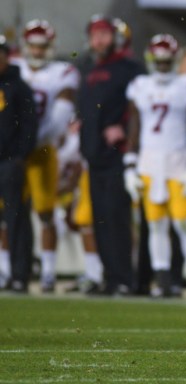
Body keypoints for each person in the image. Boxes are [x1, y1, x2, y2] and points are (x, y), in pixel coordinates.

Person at [123, 34, 186, 299]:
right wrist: (129, 165)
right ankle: (162, 280)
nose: (162, 67)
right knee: (156, 224)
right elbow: (134, 128)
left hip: (179, 162)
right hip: (150, 163)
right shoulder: (140, 85)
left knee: (184, 222)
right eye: (158, 62)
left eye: (166, 62)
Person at [76, 15, 144, 295]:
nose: (98, 40)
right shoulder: (89, 69)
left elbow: (142, 105)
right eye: (95, 34)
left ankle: (125, 278)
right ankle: (110, 277)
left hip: (119, 155)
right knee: (101, 217)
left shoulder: (130, 68)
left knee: (117, 218)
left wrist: (126, 129)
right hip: (94, 155)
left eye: (104, 34)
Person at [13, 19, 79, 292]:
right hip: (11, 152)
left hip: (40, 149)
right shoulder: (12, 67)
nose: (37, 52)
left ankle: (49, 272)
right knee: (9, 213)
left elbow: (60, 118)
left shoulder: (64, 72)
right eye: (33, 46)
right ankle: (8, 269)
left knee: (45, 212)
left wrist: (28, 141)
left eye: (42, 47)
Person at [0, 35, 38, 293]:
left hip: (9, 161)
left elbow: (29, 125)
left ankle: (19, 274)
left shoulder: (19, 86)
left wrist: (19, 155)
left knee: (16, 217)